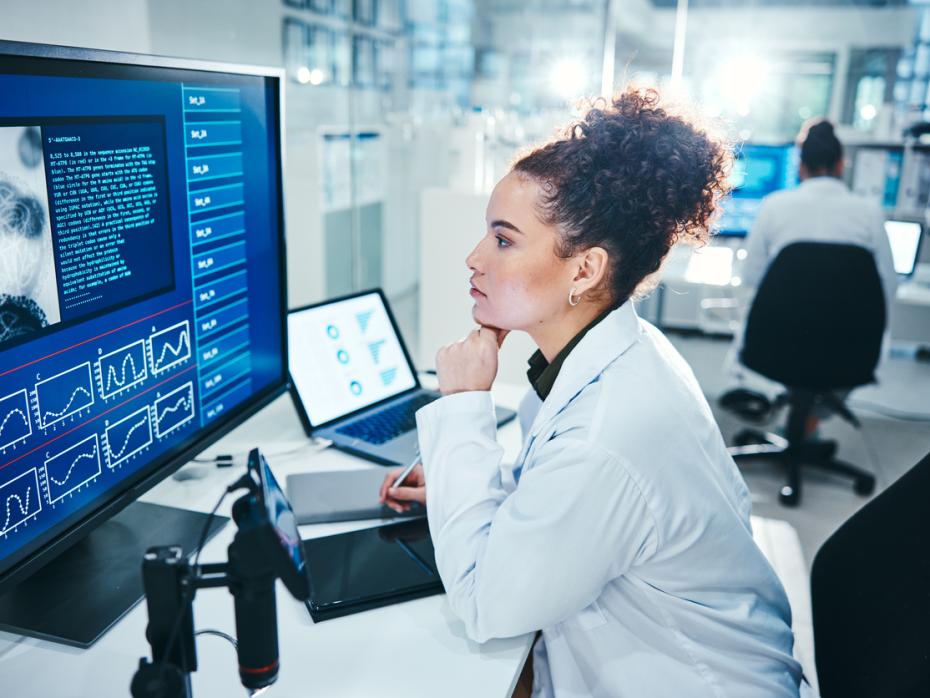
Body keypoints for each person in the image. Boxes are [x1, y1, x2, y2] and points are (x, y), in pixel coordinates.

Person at [380, 89, 804, 697]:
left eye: (503, 240)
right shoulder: (627, 352)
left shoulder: (611, 429)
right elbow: (559, 499)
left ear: (585, 270)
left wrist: (464, 407)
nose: (473, 259)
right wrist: (456, 487)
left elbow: (486, 607)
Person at [724, 118, 898, 425]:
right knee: (833, 357)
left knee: (778, 334)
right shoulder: (869, 212)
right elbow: (889, 286)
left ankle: (792, 414)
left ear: (800, 165)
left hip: (776, 346)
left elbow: (750, 277)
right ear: (842, 164)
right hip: (848, 351)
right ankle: (811, 420)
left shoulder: (774, 206)